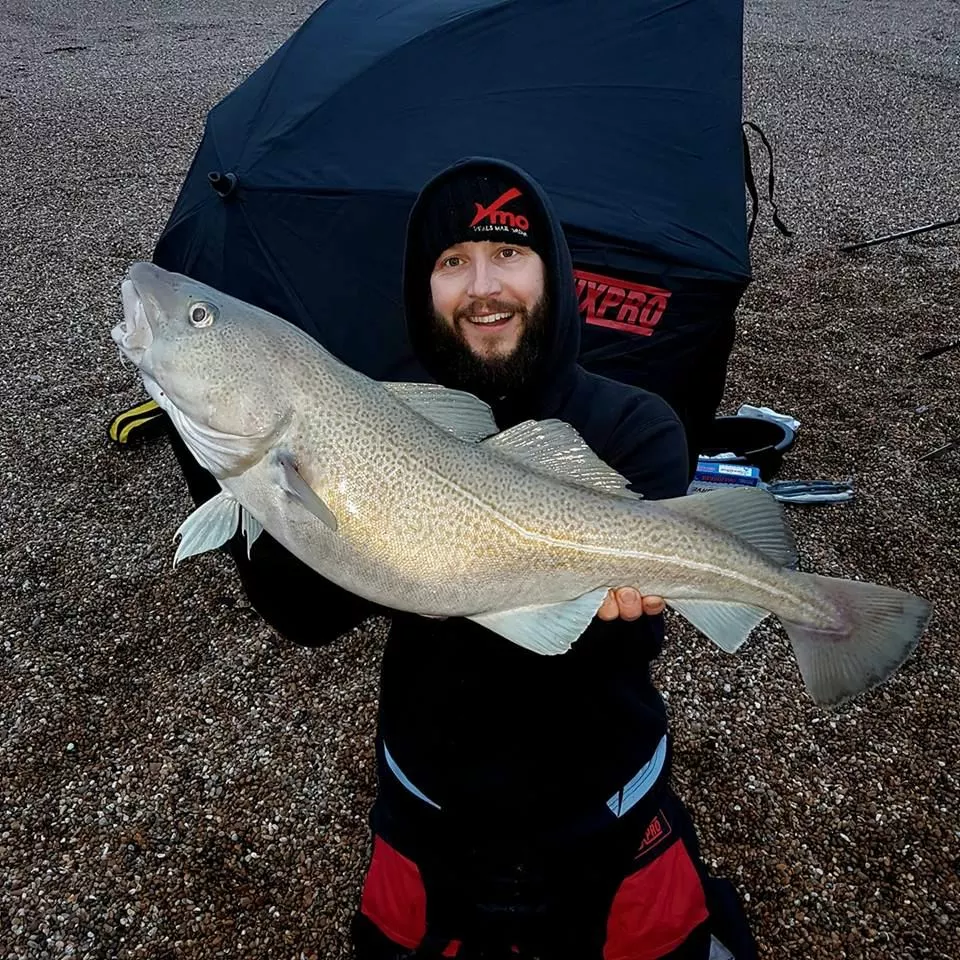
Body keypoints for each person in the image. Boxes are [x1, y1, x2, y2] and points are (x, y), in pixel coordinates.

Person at [163, 157, 756, 959]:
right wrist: (226, 458)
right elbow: (306, 614)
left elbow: (627, 643)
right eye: (452, 262)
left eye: (508, 253)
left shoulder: (637, 423)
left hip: (604, 801)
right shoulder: (377, 413)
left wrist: (620, 601)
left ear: (553, 269)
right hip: (429, 799)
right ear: (423, 288)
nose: (484, 286)